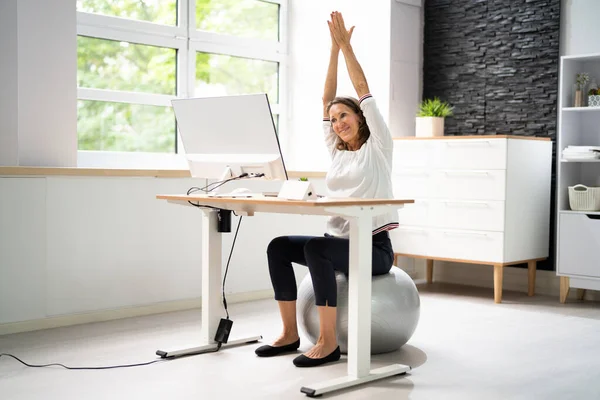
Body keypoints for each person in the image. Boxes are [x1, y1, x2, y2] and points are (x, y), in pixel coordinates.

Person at [254, 11, 398, 368]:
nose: (337, 123)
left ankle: (329, 341)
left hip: (373, 249)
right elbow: (325, 100)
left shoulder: (377, 147)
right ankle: (289, 334)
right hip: (339, 245)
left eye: (344, 116)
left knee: (317, 249)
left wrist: (346, 47)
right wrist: (330, 51)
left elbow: (363, 91)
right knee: (278, 247)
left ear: (361, 118)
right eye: (333, 120)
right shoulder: (336, 152)